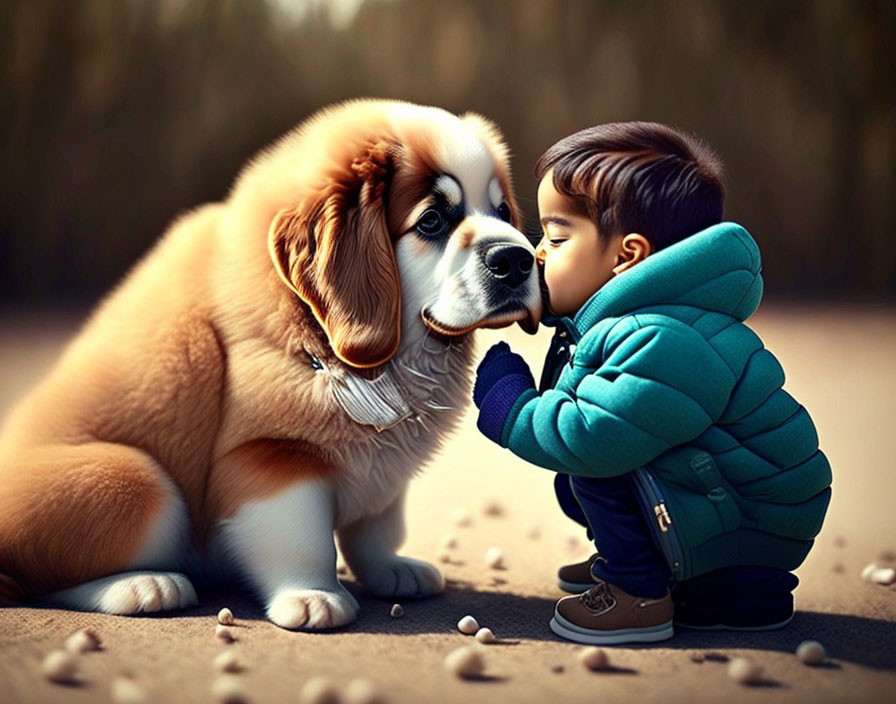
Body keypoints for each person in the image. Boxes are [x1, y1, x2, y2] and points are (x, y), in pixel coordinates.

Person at [472, 122, 831, 645]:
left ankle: (638, 591)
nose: (538, 253)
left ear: (627, 256)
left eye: (555, 236)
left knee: (599, 460)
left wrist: (510, 407)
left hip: (746, 533)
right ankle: (648, 560)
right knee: (600, 453)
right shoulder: (648, 320)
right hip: (735, 511)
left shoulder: (661, 337)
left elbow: (592, 437)